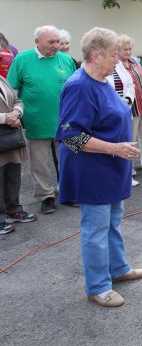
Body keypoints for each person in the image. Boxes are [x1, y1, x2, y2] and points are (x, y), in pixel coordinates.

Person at [56, 27, 142, 308]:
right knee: (95, 230)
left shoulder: (102, 79)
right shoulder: (79, 86)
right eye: (113, 55)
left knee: (113, 221)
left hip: (111, 167)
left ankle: (118, 269)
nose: (117, 60)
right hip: (92, 170)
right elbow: (71, 136)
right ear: (96, 56)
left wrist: (118, 149)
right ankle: (97, 287)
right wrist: (114, 148)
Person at [6, 25, 76, 214]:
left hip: (66, 121)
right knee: (40, 162)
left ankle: (69, 192)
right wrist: (14, 114)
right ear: (37, 41)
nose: (56, 45)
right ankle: (46, 197)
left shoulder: (66, 59)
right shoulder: (22, 60)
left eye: (58, 41)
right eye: (51, 42)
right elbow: (12, 91)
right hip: (36, 121)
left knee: (67, 158)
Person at [112, 35, 142, 173]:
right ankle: (129, 167)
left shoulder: (134, 61)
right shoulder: (115, 65)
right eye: (125, 49)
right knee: (130, 138)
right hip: (130, 107)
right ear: (117, 50)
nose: (128, 52)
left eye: (129, 49)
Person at [0, 73, 34, 235]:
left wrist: (16, 113)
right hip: (5, 129)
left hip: (11, 136)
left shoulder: (2, 79)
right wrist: (5, 118)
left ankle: (14, 210)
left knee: (13, 175)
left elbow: (17, 100)